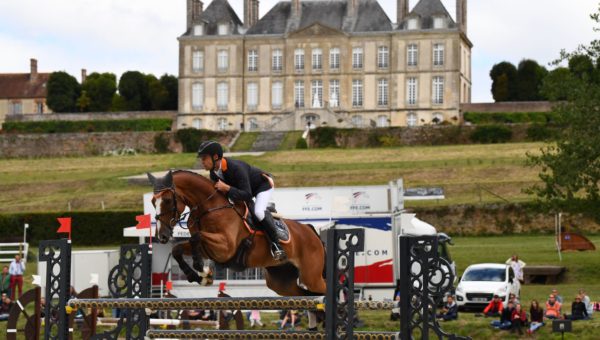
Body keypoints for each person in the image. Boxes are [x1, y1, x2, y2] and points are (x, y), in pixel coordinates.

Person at [197, 141, 286, 261]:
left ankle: (276, 245)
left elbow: (247, 195)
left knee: (258, 212)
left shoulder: (236, 168)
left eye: (204, 158)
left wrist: (228, 188)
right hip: (244, 190)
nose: (202, 161)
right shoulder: (213, 173)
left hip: (263, 186)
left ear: (215, 157)